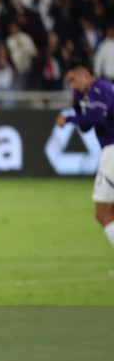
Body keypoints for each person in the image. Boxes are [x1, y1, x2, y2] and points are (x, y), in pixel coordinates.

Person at [56, 59, 114, 248]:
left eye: (73, 80)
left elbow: (98, 117)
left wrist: (69, 118)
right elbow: (87, 127)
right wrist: (77, 107)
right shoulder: (86, 94)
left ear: (84, 72)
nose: (72, 86)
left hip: (112, 151)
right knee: (109, 211)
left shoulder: (100, 88)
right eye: (68, 83)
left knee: (102, 212)